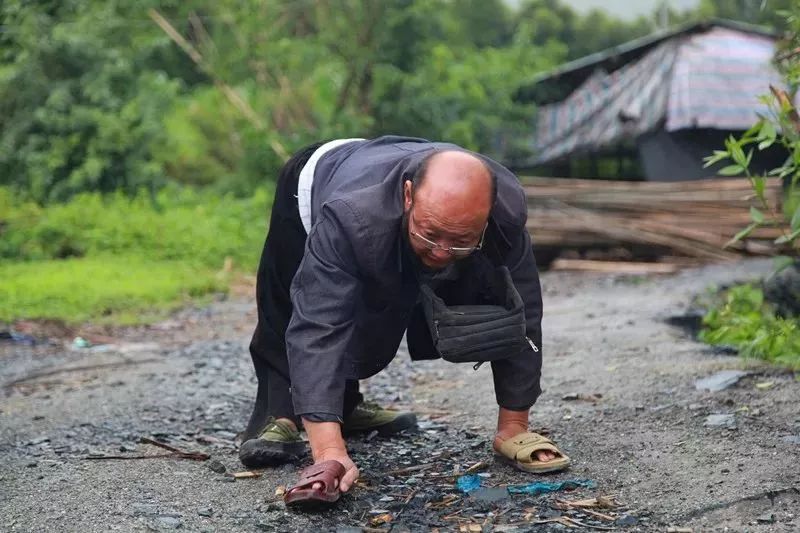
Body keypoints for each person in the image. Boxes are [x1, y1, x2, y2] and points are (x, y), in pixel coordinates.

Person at [238, 136, 569, 507]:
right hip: (316, 175)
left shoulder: (506, 211)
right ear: (408, 196)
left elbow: (523, 310)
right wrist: (329, 452)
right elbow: (318, 323)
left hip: (381, 172)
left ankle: (344, 407)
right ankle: (281, 413)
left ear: (488, 214)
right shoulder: (352, 215)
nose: (443, 252)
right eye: (431, 234)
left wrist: (514, 425)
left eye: (460, 240)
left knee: (442, 290)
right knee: (295, 303)